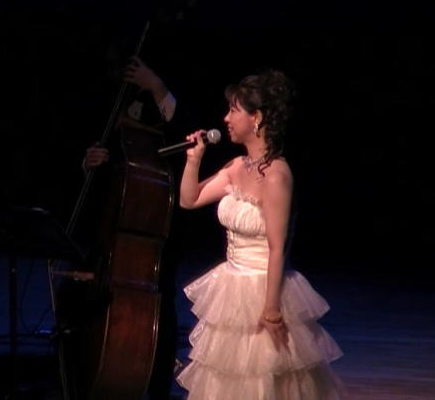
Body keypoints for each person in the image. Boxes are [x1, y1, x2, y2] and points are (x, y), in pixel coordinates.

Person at [175, 70, 346, 399]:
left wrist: (271, 310)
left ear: (256, 118)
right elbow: (188, 199)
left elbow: (278, 247)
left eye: (233, 111)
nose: (226, 119)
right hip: (231, 286)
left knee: (263, 381)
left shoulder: (277, 176)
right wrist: (194, 160)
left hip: (263, 287)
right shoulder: (237, 166)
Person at [81, 56, 182, 400]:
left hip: (156, 221)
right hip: (110, 223)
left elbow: (185, 130)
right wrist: (88, 161)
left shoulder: (165, 90)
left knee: (159, 302)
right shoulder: (108, 96)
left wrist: (157, 88)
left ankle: (156, 385)